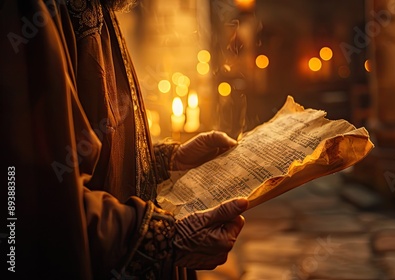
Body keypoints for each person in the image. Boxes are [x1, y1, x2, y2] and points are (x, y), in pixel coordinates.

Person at [1, 0, 246, 279]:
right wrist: (166, 239)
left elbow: (94, 148)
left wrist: (164, 160)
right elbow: (32, 203)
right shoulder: (26, 15)